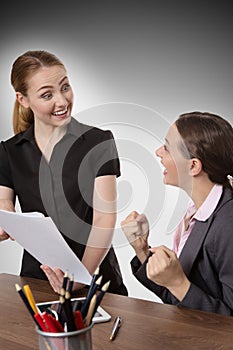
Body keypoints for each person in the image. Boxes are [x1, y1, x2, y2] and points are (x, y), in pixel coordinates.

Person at [0, 50, 128, 296]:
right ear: (23, 99)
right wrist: (6, 221)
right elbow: (4, 203)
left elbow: (104, 218)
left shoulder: (98, 142)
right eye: (47, 95)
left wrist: (81, 276)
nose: (62, 101)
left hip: (96, 277)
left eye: (65, 87)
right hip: (39, 279)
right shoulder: (8, 151)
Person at [121, 111, 233, 315]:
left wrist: (179, 282)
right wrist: (142, 250)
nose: (158, 152)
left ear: (193, 166)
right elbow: (177, 296)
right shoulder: (198, 212)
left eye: (167, 147)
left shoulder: (228, 224)